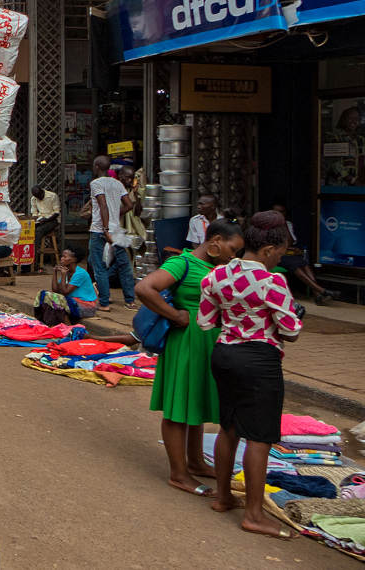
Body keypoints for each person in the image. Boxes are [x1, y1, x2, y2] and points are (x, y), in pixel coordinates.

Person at [201, 211, 302, 539]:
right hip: (259, 360)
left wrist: (236, 321)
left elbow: (205, 322)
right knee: (259, 436)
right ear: (270, 250)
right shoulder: (273, 281)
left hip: (224, 354)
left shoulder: (215, 276)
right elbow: (290, 330)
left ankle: (223, 497)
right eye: (282, 252)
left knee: (228, 427)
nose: (281, 258)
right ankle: (254, 514)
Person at [135, 219, 244, 497]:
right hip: (186, 341)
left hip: (209, 341)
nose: (234, 256)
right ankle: (179, 473)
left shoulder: (218, 268)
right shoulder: (182, 263)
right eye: (232, 249)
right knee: (178, 407)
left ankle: (195, 461)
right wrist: (176, 315)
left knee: (195, 400)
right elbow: (145, 288)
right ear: (215, 240)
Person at [88, 155, 136, 312]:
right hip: (116, 228)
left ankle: (104, 302)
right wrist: (116, 216)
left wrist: (105, 228)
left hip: (99, 229)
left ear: (96, 166)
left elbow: (103, 205)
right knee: (124, 264)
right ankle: (130, 301)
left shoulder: (96, 183)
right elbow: (129, 205)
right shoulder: (117, 184)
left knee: (99, 266)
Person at [272, 202, 338, 305]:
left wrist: (284, 224)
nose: (279, 214)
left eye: (281, 212)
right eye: (276, 212)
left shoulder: (287, 224)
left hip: (287, 253)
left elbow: (291, 241)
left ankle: (317, 295)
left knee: (304, 263)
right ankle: (322, 291)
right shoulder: (269, 225)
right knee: (295, 266)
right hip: (275, 255)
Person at [33, 246, 98, 326]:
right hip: (72, 303)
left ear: (74, 259)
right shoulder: (67, 271)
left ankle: (68, 327)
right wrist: (55, 273)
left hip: (86, 307)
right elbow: (55, 290)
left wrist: (63, 275)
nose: (62, 259)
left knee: (56, 299)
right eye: (62, 256)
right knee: (42, 294)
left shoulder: (80, 273)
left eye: (65, 257)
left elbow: (65, 292)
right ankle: (44, 322)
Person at [29, 184, 60, 262]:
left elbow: (56, 213)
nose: (39, 198)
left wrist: (46, 220)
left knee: (38, 231)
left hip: (52, 220)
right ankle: (26, 256)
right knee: (28, 230)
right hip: (40, 220)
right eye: (37, 197)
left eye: (40, 196)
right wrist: (35, 220)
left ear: (42, 191)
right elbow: (34, 213)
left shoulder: (52, 196)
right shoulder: (34, 199)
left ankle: (34, 259)